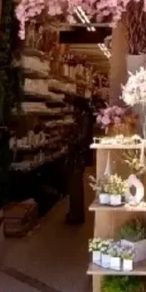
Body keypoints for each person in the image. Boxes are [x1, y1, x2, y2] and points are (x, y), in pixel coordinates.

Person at [66, 94, 94, 224]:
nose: (73, 110)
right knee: (75, 185)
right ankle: (75, 213)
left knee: (75, 185)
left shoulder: (85, 119)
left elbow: (82, 139)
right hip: (79, 155)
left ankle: (76, 215)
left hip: (78, 156)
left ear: (79, 107)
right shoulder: (84, 117)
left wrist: (70, 140)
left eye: (74, 107)